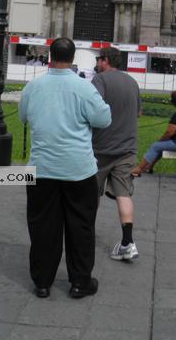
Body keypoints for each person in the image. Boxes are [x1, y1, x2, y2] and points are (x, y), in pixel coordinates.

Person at [19, 37, 111, 300]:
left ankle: (42, 282)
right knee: (80, 226)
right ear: (72, 58)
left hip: (41, 167)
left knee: (42, 226)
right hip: (78, 169)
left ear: (50, 56)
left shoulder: (33, 87)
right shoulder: (83, 88)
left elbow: (23, 117)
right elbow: (103, 119)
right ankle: (80, 282)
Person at [92, 47, 142, 262]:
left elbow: (93, 108)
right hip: (127, 148)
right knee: (124, 194)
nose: (96, 63)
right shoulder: (132, 82)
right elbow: (138, 112)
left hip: (100, 148)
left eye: (98, 59)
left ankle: (86, 232)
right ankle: (127, 242)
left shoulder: (100, 80)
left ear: (105, 61)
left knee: (91, 194)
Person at [131, 89, 176, 176]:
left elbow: (169, 133)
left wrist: (160, 140)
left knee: (155, 146)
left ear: (174, 102)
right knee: (161, 147)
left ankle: (138, 169)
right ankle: (149, 167)